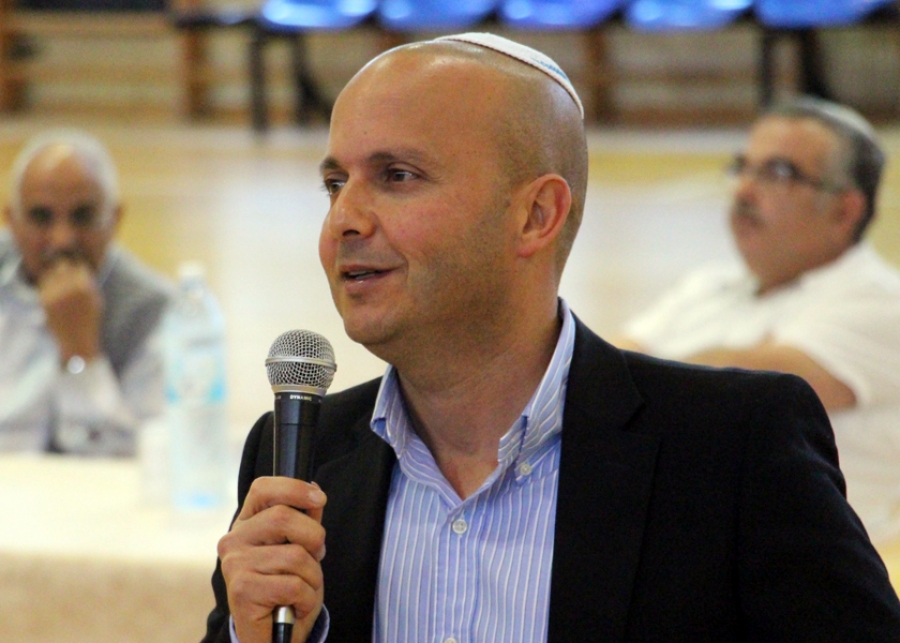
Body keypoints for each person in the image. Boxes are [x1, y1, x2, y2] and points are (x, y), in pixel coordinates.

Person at [203, 34, 900, 643]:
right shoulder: (302, 457)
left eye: (398, 176)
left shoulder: (733, 447)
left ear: (537, 214)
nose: (344, 220)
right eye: (334, 183)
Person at [616, 97, 900, 545]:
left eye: (778, 173)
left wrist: (633, 378)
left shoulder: (882, 303)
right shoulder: (708, 286)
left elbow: (742, 397)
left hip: (809, 566)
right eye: (742, 168)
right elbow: (606, 374)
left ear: (844, 210)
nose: (744, 190)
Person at [0, 130, 173, 455]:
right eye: (41, 217)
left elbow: (131, 458)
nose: (63, 240)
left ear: (115, 219)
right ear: (11, 221)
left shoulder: (152, 311)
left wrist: (81, 354)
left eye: (83, 216)